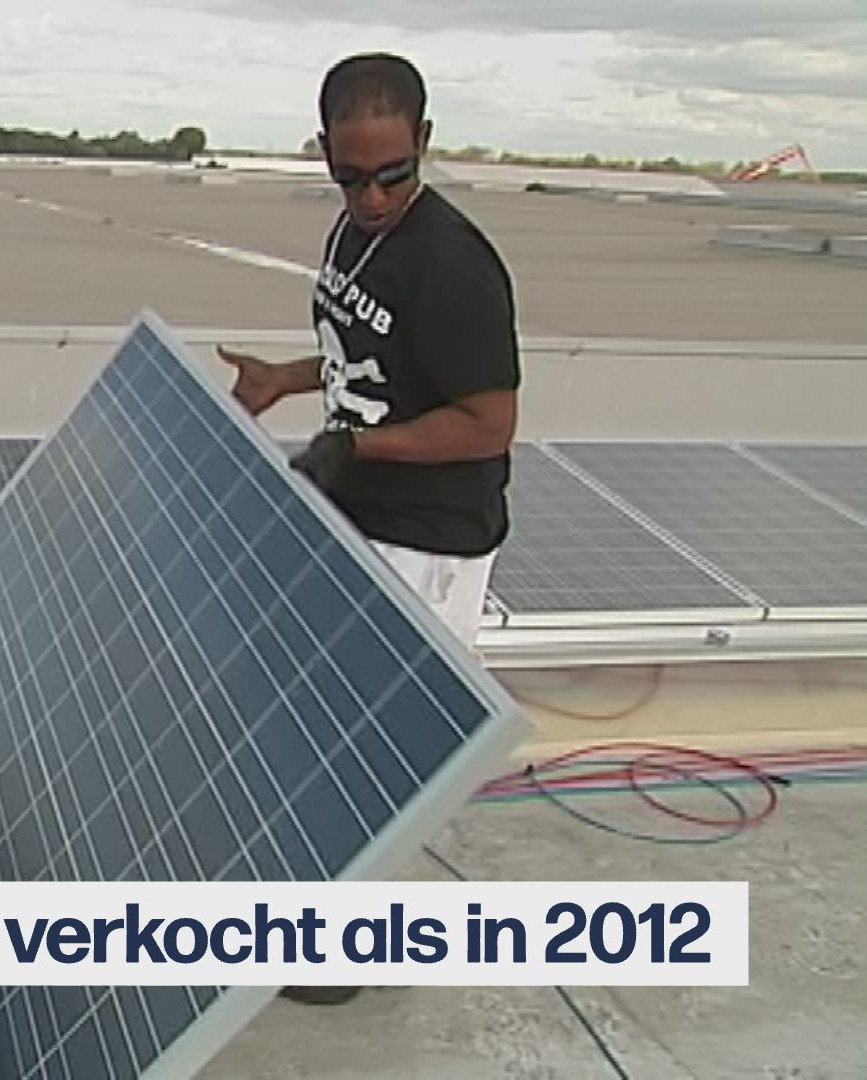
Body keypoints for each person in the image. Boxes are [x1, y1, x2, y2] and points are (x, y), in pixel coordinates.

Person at [218, 52, 521, 1006]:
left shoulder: (454, 265)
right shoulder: (355, 234)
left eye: (394, 173)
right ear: (325, 154)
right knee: (326, 726)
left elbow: (488, 422)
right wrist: (288, 378)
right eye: (352, 177)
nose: (375, 195)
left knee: (377, 750)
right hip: (364, 509)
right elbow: (374, 350)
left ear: (424, 143)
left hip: (429, 538)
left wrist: (357, 446)